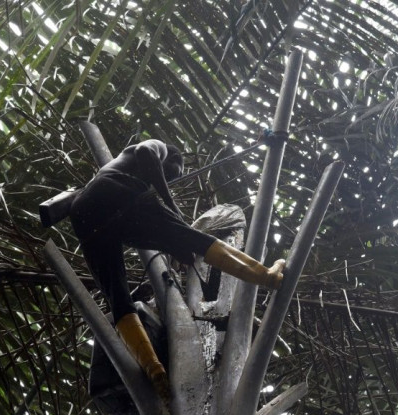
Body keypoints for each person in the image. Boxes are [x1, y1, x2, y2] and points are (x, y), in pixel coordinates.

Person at [69, 139, 285, 399]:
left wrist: (177, 248)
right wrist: (171, 206)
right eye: (176, 170)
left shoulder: (122, 175)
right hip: (115, 192)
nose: (174, 177)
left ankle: (153, 368)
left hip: (84, 214)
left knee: (118, 298)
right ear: (174, 156)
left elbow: (153, 234)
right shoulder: (158, 147)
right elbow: (145, 152)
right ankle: (266, 275)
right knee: (191, 236)